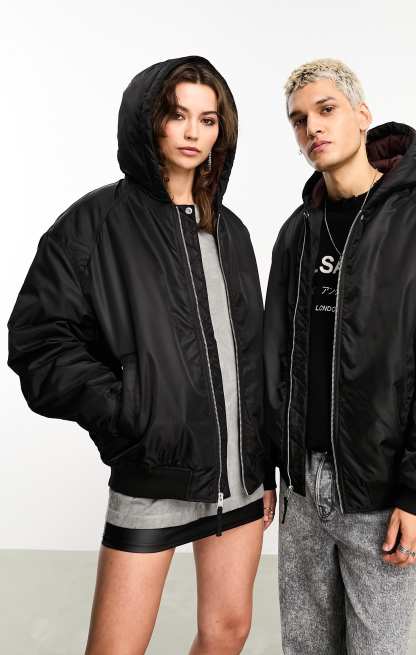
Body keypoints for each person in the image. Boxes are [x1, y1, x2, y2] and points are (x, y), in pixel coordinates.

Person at [7, 55, 277, 655]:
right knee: (116, 648)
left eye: (208, 119)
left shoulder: (231, 231)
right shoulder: (96, 222)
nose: (192, 133)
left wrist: (265, 465)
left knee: (227, 632)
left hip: (240, 476)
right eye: (177, 115)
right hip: (155, 468)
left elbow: (251, 356)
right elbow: (37, 339)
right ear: (147, 121)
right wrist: (130, 409)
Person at [263, 57, 416, 654]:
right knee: (305, 648)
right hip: (300, 489)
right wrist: (267, 467)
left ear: (363, 116)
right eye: (299, 120)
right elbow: (273, 357)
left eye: (326, 110)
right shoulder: (298, 231)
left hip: (382, 489)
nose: (313, 128)